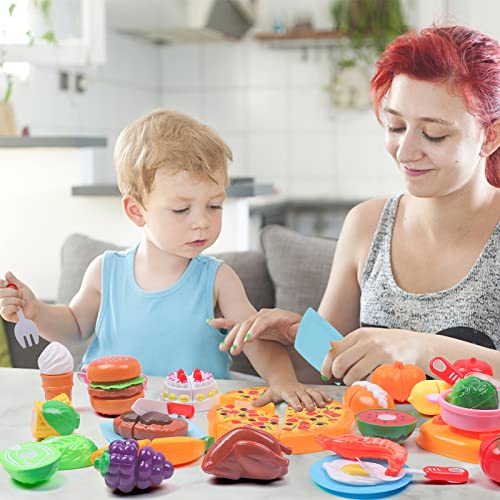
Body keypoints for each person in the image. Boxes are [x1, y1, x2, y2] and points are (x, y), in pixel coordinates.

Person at [211, 25, 500, 384]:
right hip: (366, 438)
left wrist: (417, 349)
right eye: (395, 126)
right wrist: (297, 336)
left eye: (434, 134)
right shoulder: (366, 224)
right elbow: (324, 371)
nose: (406, 152)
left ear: (490, 136)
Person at [0, 109, 329, 410]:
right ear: (136, 211)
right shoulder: (105, 271)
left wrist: (284, 381)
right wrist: (37, 311)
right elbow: (73, 327)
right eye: (182, 209)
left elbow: (254, 340)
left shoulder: (219, 279)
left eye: (214, 206)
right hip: (108, 414)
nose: (201, 221)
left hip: (192, 416)